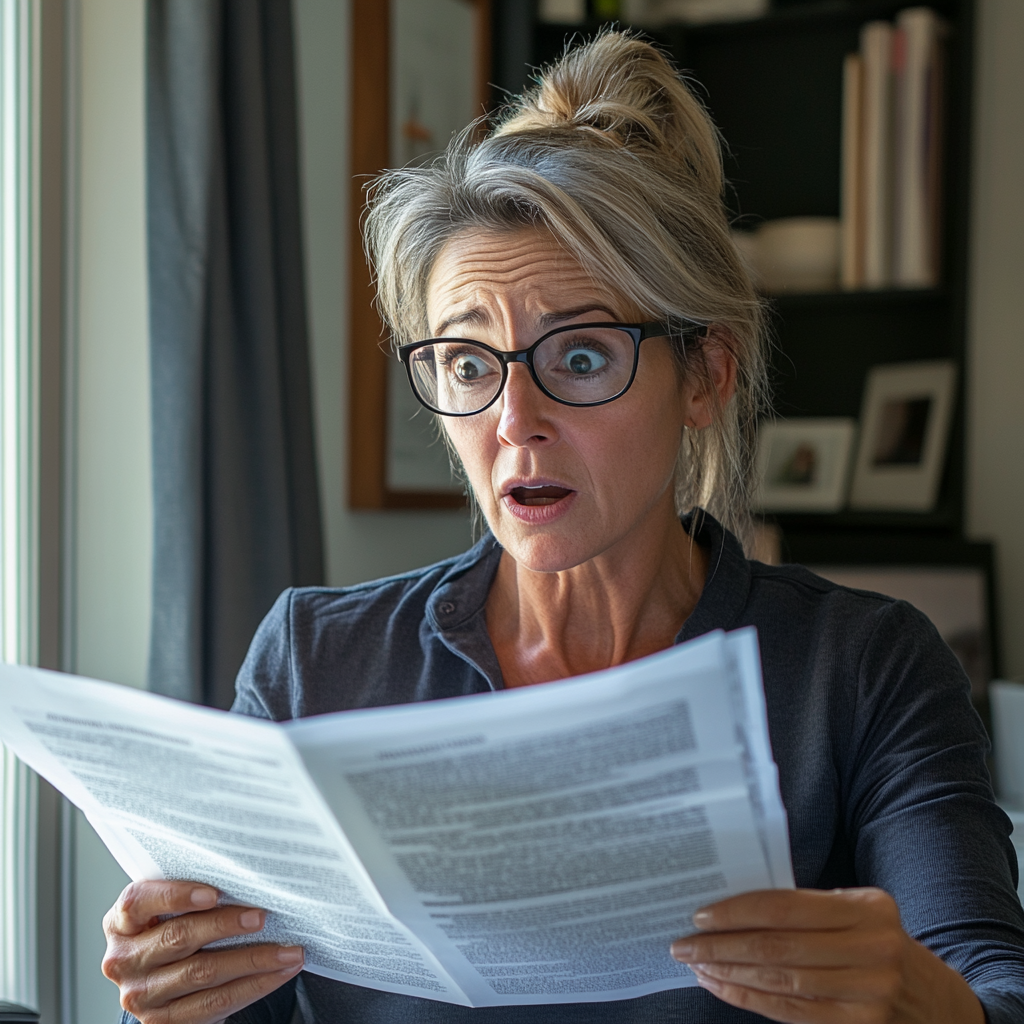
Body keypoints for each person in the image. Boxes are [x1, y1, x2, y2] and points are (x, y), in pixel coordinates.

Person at [102, 31, 1024, 1024]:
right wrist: (174, 989)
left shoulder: (861, 669)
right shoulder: (314, 665)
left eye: (580, 358)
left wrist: (922, 1001)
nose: (513, 422)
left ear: (705, 374)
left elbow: (990, 989)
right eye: (467, 362)